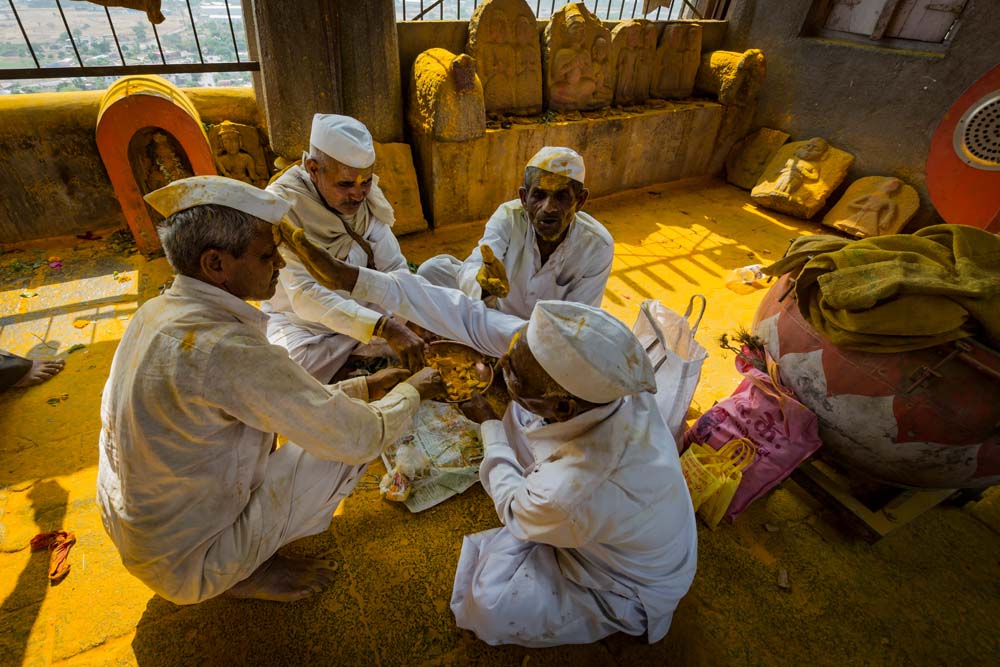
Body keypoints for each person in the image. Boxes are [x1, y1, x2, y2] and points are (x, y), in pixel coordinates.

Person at [279, 226, 698, 647]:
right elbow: (470, 316)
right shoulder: (591, 378)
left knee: (488, 605)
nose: (499, 368)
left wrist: (488, 422)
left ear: (563, 406)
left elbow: (516, 511)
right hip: (605, 516)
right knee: (518, 414)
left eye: (512, 374)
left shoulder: (574, 486)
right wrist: (352, 279)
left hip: (622, 579)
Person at [97, 176, 443, 606]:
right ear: (216, 264)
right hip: (189, 562)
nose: (279, 263)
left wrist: (368, 385)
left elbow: (276, 397)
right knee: (350, 446)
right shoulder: (224, 349)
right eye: (266, 255)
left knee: (324, 410)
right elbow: (354, 436)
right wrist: (415, 390)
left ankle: (236, 553)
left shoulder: (158, 309)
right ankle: (237, 571)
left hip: (140, 531)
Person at [263, 114, 424, 381]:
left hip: (364, 309)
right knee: (287, 371)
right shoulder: (281, 207)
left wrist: (408, 315)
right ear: (314, 169)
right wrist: (384, 327)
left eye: (367, 182)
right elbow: (305, 295)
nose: (358, 194)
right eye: (345, 184)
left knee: (430, 290)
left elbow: (394, 266)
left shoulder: (366, 201)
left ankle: (354, 357)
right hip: (302, 323)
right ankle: (363, 352)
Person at [417, 146, 614, 320]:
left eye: (561, 197)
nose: (549, 208)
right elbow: (477, 262)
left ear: (580, 201)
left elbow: (578, 316)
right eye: (539, 195)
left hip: (544, 334)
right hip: (494, 315)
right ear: (523, 197)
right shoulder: (508, 216)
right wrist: (483, 282)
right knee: (432, 271)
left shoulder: (597, 245)